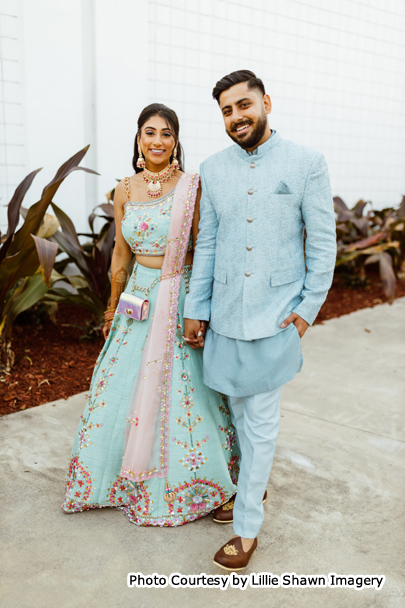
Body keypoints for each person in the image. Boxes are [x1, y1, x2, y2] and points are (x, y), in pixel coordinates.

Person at [184, 70, 336, 569]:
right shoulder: (212, 168)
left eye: (243, 105)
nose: (236, 117)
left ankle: (247, 527)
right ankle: (251, 488)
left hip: (276, 320)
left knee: (261, 424)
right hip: (225, 317)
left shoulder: (307, 163)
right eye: (227, 110)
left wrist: (306, 312)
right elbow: (206, 244)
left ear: (265, 102)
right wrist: (196, 309)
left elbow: (321, 243)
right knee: (239, 419)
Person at [62, 103, 239, 527]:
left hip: (178, 295)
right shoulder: (124, 189)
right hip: (136, 299)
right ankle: (113, 481)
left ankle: (198, 480)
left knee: (185, 390)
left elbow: (204, 248)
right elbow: (120, 254)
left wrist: (200, 308)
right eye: (149, 132)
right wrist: (111, 306)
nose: (157, 141)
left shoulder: (192, 187)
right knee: (118, 383)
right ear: (138, 139)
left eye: (166, 133)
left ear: (176, 141)